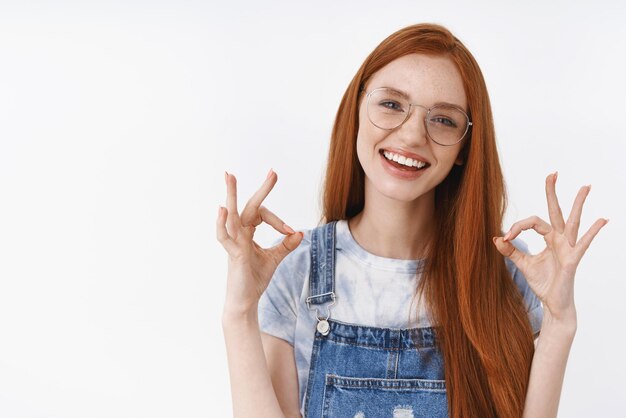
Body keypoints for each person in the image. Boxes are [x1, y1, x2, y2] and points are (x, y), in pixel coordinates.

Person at [216, 23, 607, 418]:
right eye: (391, 104)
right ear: (356, 111)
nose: (411, 135)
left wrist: (558, 323)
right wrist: (239, 312)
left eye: (443, 120)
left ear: (463, 149)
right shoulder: (298, 268)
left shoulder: (506, 270)